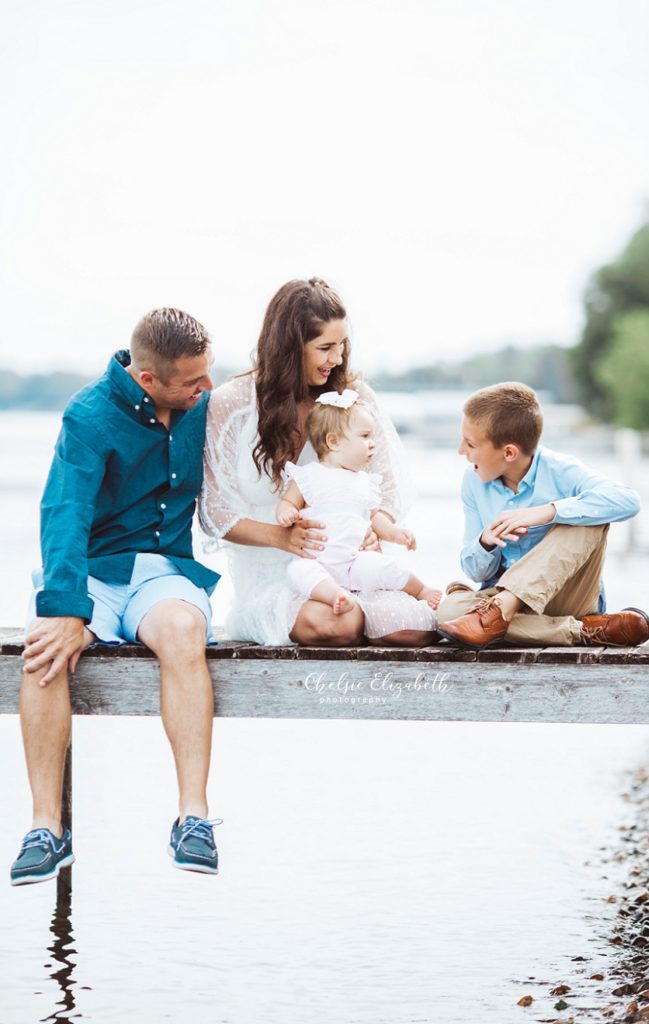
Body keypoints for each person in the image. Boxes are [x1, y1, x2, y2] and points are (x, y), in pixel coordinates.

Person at [11, 308, 222, 887]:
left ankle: (194, 818)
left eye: (208, 375)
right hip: (97, 574)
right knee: (44, 650)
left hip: (166, 573)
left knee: (183, 631)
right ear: (148, 378)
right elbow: (64, 514)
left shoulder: (203, 403)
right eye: (194, 381)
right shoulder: (88, 416)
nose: (207, 389)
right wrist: (68, 607)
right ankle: (45, 828)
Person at [199, 277, 437, 647]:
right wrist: (282, 537)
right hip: (273, 582)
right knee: (336, 622)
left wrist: (377, 528)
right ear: (290, 348)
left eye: (342, 345)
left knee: (414, 624)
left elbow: (385, 488)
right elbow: (215, 513)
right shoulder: (231, 404)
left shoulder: (353, 399)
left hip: (353, 567)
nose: (338, 359)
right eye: (325, 347)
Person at [437, 381, 649, 648]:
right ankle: (583, 630)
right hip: (513, 606)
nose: (461, 450)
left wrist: (549, 512)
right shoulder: (473, 482)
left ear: (509, 452)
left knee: (587, 518)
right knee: (447, 612)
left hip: (567, 597)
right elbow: (473, 571)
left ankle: (500, 610)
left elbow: (628, 500)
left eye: (470, 444)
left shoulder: (561, 471)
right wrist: (486, 541)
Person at [276, 388, 442, 616]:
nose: (373, 443)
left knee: (386, 567)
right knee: (299, 571)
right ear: (333, 441)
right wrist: (286, 512)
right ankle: (335, 595)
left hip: (354, 561)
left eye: (372, 436)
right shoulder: (308, 476)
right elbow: (288, 502)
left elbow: (374, 518)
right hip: (318, 561)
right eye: (364, 436)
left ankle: (420, 589)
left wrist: (394, 533)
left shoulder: (365, 482)